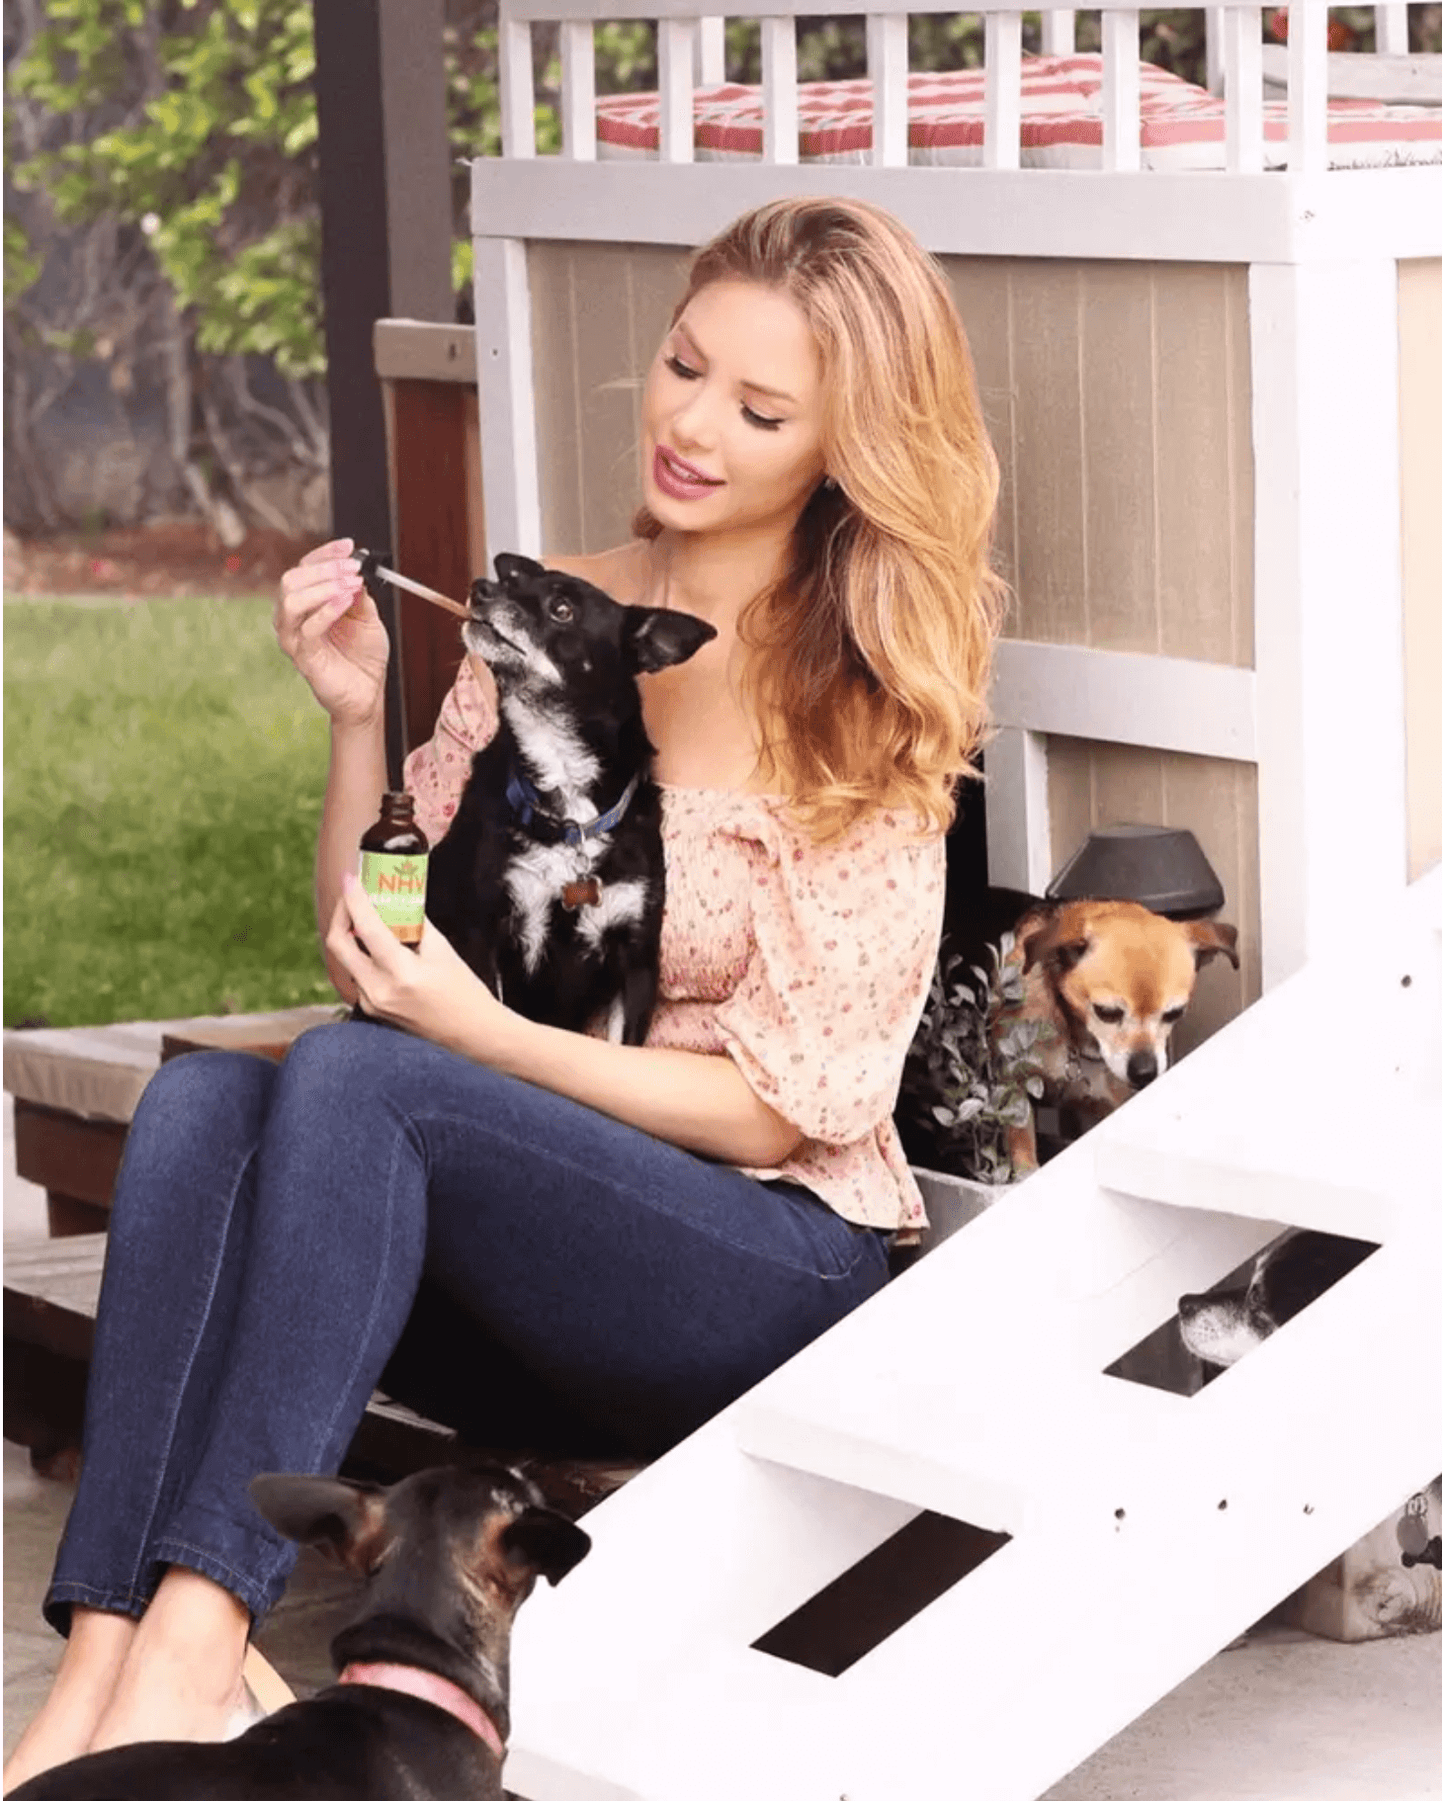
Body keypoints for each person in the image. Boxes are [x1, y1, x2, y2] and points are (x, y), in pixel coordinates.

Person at [3, 194, 1004, 1790]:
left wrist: (484, 1036)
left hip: (758, 1264)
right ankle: (103, 1676)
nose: (691, 425)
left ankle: (195, 1652)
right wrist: (355, 718)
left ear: (843, 449)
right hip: (519, 1268)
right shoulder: (542, 610)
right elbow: (375, 940)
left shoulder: (861, 686)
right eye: (684, 366)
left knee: (361, 1078)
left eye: (760, 411)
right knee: (206, 1105)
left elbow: (783, 1111)